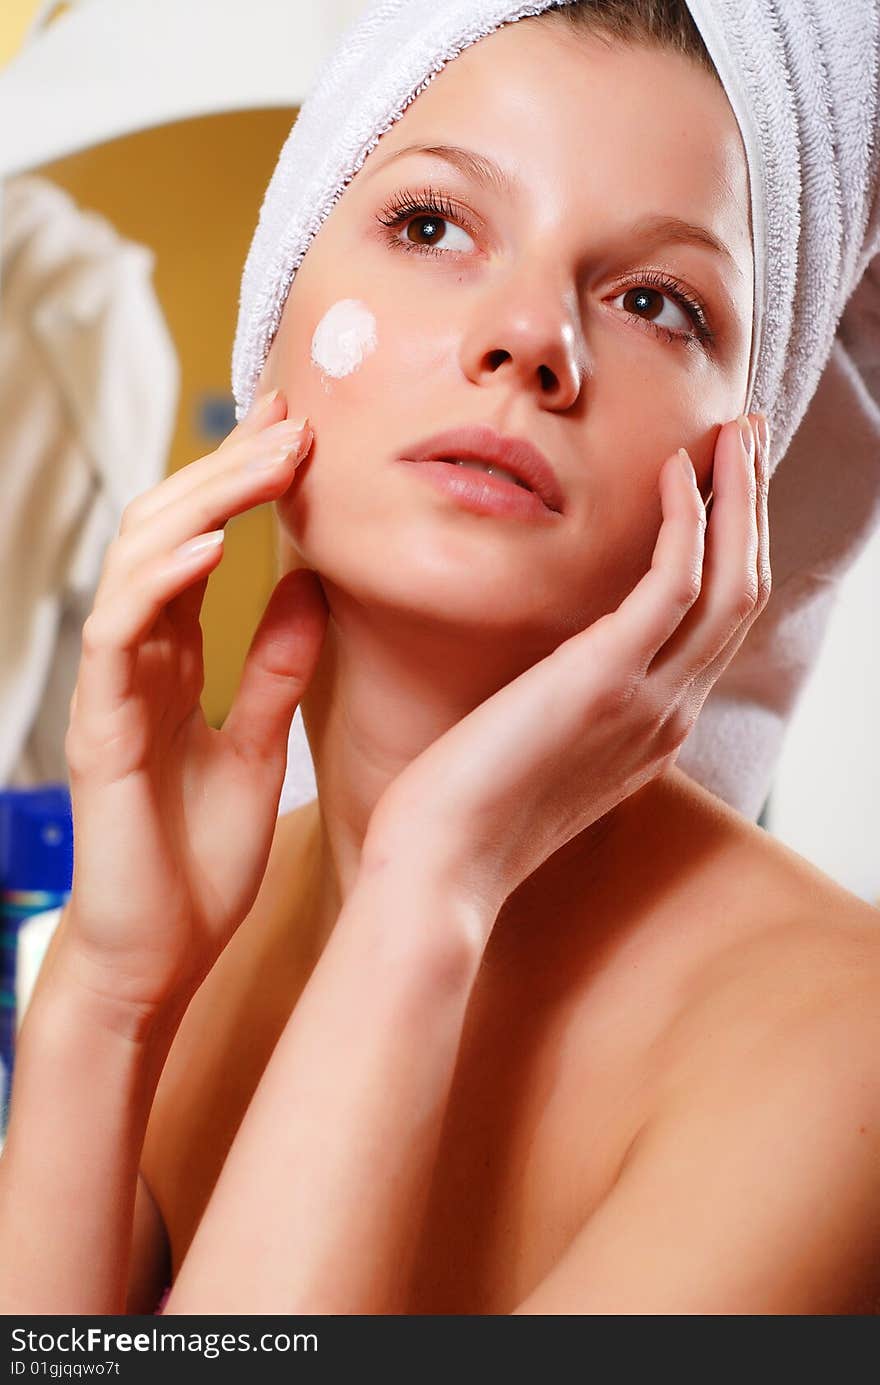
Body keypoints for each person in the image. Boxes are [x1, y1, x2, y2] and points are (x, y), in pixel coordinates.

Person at [1, 0, 879, 1316]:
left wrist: (428, 889)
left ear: (743, 461)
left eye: (658, 301)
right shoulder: (183, 938)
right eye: (430, 225)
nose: (532, 339)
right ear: (271, 317)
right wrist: (110, 994)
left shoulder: (837, 1057)